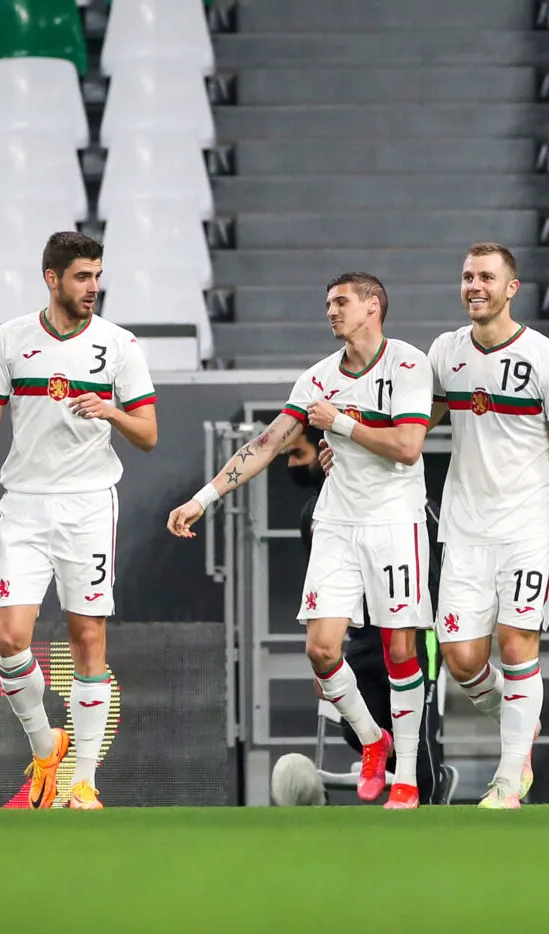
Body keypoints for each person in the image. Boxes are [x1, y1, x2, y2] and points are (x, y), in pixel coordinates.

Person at [167, 272, 435, 809]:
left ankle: (406, 774)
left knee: (400, 650)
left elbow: (408, 447)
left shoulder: (408, 363)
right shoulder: (316, 379)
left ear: (373, 306)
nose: (331, 311)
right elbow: (267, 444)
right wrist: (203, 497)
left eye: (341, 302)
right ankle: (373, 740)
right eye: (328, 303)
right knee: (321, 649)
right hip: (337, 521)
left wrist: (342, 424)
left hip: (394, 521)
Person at [0, 231, 158, 811]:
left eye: (97, 276)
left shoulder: (119, 345)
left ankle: (84, 781)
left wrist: (112, 410)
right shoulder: (10, 340)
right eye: (82, 277)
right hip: (23, 505)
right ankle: (46, 745)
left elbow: (148, 434)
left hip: (89, 505)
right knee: (9, 639)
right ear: (52, 278)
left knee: (87, 638)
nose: (93, 287)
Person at [426, 241, 549, 808]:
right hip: (465, 529)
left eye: (486, 277)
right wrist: (354, 446)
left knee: (516, 642)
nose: (474, 286)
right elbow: (416, 423)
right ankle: (521, 722)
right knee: (461, 658)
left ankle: (507, 782)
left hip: (531, 526)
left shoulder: (548, 359)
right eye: (467, 276)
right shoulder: (445, 352)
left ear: (511, 288)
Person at [284, 428, 453, 804]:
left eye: (297, 454)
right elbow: (322, 591)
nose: (292, 465)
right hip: (362, 637)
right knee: (354, 726)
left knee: (417, 739)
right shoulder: (314, 516)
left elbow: (443, 559)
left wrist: (441, 621)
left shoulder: (406, 501)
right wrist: (325, 660)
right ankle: (394, 758)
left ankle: (427, 799)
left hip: (413, 629)